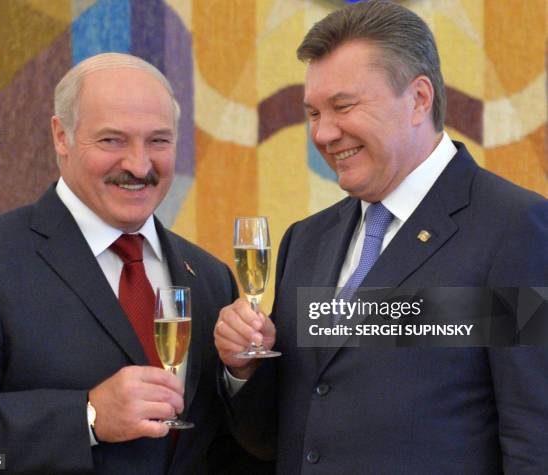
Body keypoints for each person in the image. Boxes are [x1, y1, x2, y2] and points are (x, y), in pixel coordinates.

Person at [214, 1, 548, 474]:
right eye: (312, 112)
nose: (325, 133)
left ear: (418, 99)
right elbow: (274, 437)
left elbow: (536, 438)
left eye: (344, 106)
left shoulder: (514, 228)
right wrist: (243, 370)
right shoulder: (305, 241)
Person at [0, 52, 257, 474]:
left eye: (158, 140)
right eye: (112, 140)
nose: (139, 165)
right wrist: (85, 418)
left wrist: (243, 375)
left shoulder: (211, 277)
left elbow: (231, 445)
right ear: (61, 136)